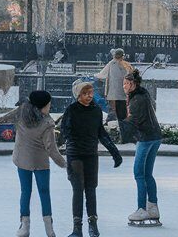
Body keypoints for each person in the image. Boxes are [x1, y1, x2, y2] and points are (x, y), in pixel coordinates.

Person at [60, 80, 123, 237]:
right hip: (75, 155)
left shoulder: (96, 111)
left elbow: (101, 133)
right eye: (85, 93)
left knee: (91, 189)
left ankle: (93, 225)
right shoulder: (71, 110)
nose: (89, 96)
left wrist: (114, 152)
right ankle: (77, 228)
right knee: (77, 189)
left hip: (90, 155)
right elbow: (64, 132)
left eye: (91, 93)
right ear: (78, 95)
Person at [11, 90, 66, 237]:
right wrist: (64, 164)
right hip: (40, 162)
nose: (50, 107)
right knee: (44, 192)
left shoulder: (21, 114)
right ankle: (49, 229)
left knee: (25, 191)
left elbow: (8, 119)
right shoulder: (47, 124)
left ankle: (24, 226)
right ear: (42, 106)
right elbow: (52, 150)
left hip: (22, 159)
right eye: (49, 104)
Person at [121, 69, 163, 225]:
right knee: (147, 174)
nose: (124, 86)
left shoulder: (137, 100)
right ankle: (153, 208)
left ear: (133, 84)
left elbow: (133, 121)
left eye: (126, 83)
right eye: (123, 83)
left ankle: (141, 209)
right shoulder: (142, 95)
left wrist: (119, 125)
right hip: (155, 137)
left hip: (146, 138)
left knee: (139, 173)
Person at [96, 49, 133, 122]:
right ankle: (122, 124)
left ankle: (111, 125)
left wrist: (96, 76)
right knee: (122, 112)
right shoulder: (126, 65)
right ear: (123, 56)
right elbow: (132, 75)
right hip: (123, 93)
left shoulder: (111, 64)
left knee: (113, 110)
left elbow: (102, 74)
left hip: (112, 93)